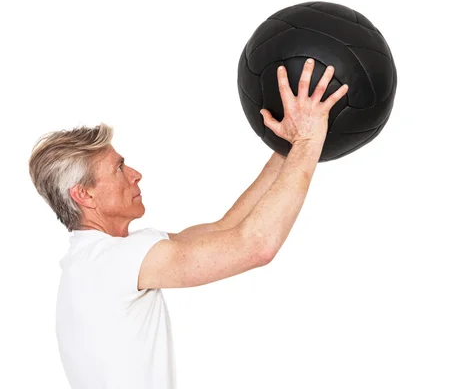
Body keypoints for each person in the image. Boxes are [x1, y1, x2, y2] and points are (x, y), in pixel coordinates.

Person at [28, 58, 348, 389]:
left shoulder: (99, 259)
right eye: (119, 169)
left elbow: (229, 227)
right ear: (84, 195)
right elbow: (256, 246)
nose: (136, 174)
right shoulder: (115, 261)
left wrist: (287, 148)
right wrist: (309, 141)